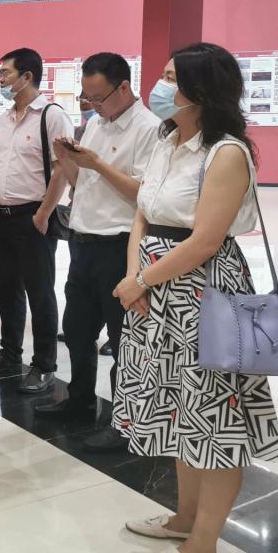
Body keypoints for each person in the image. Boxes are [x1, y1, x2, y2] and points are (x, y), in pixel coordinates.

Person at [112, 43, 278, 551]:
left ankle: (202, 540)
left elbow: (205, 240)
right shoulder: (167, 139)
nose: (159, 86)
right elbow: (142, 214)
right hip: (154, 288)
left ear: (201, 90)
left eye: (170, 77)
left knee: (215, 418)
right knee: (179, 411)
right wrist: (134, 274)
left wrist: (142, 281)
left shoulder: (226, 152)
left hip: (203, 293)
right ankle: (184, 517)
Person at [34, 54, 159, 454]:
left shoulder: (148, 128)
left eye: (98, 98)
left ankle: (125, 422)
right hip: (83, 241)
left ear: (124, 87)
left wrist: (98, 164)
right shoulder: (95, 125)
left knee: (124, 341)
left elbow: (145, 195)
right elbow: (81, 183)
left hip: (119, 247)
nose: (92, 105)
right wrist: (68, 160)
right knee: (78, 330)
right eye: (87, 98)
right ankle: (81, 400)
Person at [0, 48, 73, 393]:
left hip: (34, 216)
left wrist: (44, 213)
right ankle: (9, 353)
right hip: (2, 215)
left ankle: (44, 365)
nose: (0, 79)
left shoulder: (51, 116)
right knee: (7, 288)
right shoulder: (3, 119)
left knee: (40, 292)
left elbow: (63, 168)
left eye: (5, 73)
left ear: (27, 76)